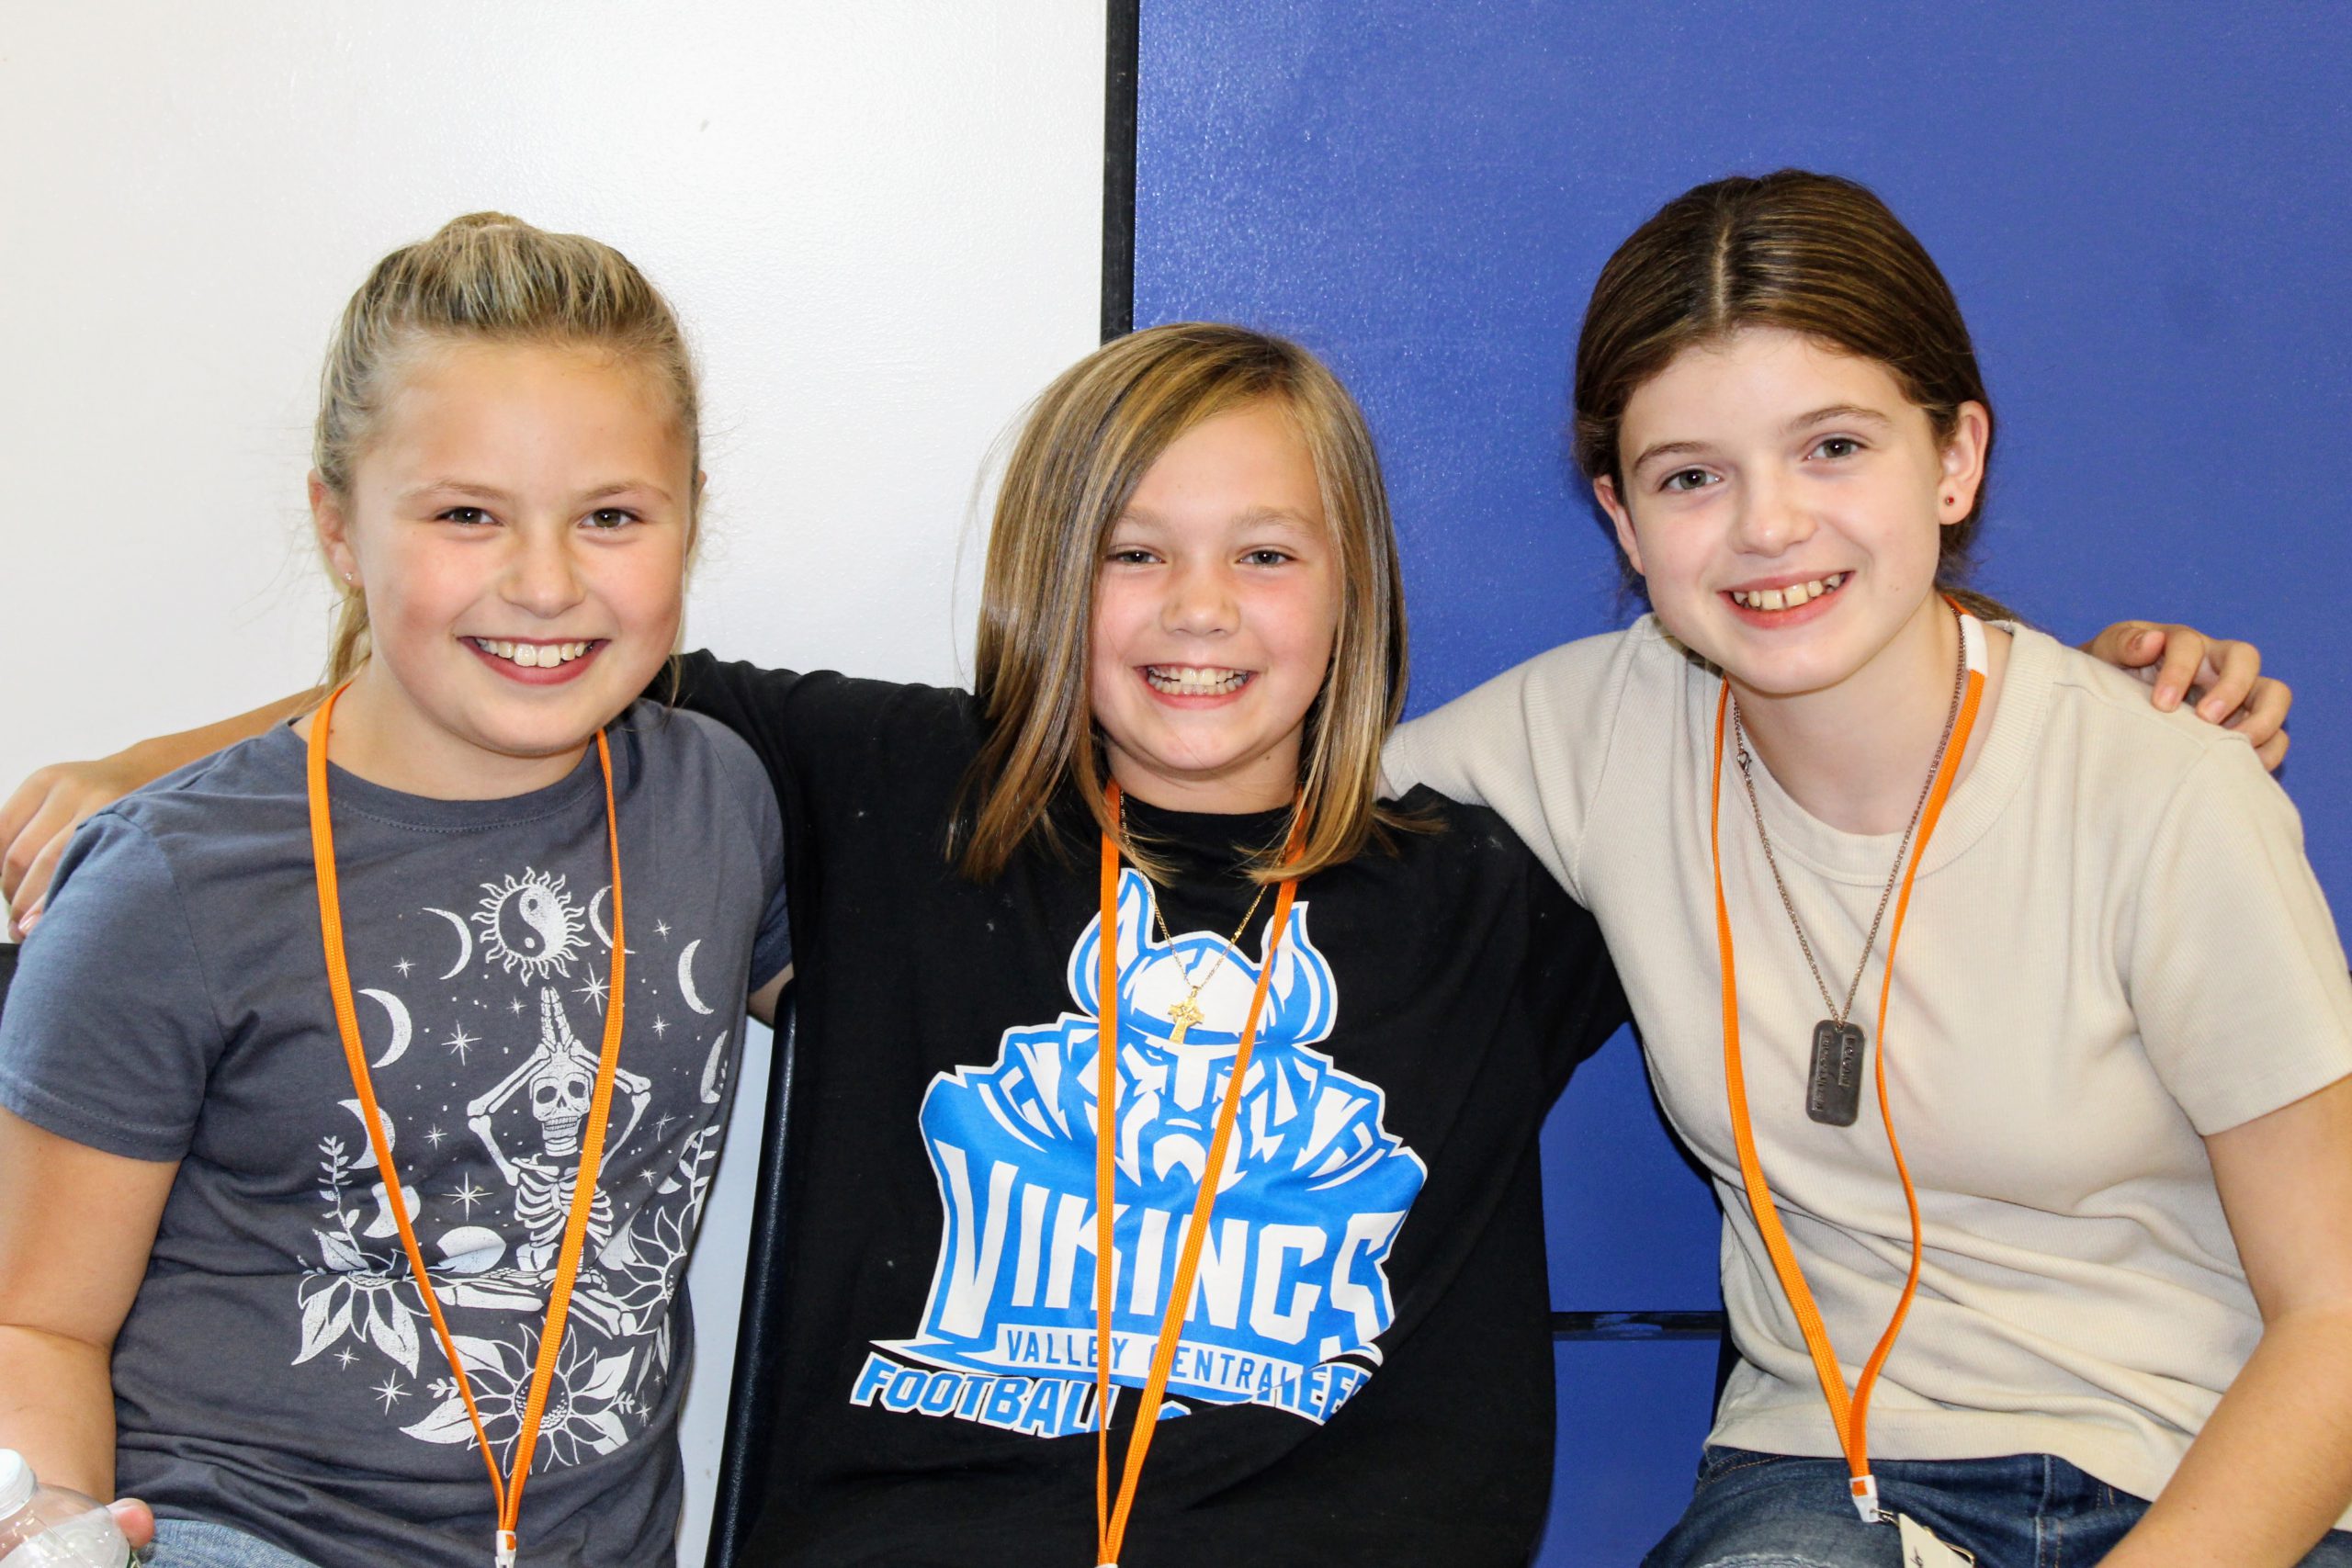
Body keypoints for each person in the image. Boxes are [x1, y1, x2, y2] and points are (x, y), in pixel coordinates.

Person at [0, 321, 2290, 1566]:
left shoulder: (1489, 878)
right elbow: (519, 654)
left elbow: (1811, 726)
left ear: (1351, 594)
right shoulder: (878, 794)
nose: (1199, 616)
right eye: (1136, 554)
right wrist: (157, 754)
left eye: (1266, 557)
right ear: (1040, 581)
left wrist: (2069, 678)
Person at [1384, 170, 2352, 1567]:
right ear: (1623, 517)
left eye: (1833, 447)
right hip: (1830, 1482)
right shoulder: (1599, 729)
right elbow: (1243, 809)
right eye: (1692, 477)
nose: (1768, 526)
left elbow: (2336, 1314)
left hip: (2203, 1477)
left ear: (1954, 459)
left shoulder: (2163, 785)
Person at [0, 214, 794, 1568]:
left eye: (609, 517)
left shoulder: (718, 798)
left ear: (691, 519)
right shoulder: (167, 886)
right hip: (232, 1535)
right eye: (466, 515)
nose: (545, 583)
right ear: (338, 527)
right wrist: (52, 1520)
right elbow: (37, 1320)